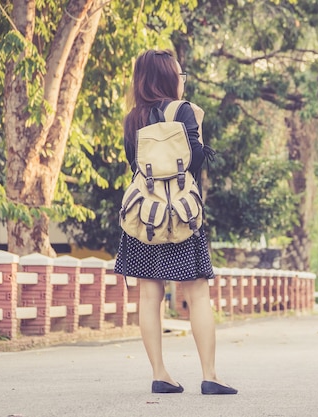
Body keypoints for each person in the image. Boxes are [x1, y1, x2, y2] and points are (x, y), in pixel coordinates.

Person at [114, 49, 237, 395]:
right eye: (180, 75)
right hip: (181, 217)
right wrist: (193, 125)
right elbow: (196, 159)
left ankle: (159, 373)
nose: (182, 82)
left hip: (145, 217)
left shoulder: (132, 119)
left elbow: (133, 165)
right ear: (169, 77)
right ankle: (210, 374)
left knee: (149, 296)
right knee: (197, 295)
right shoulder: (183, 111)